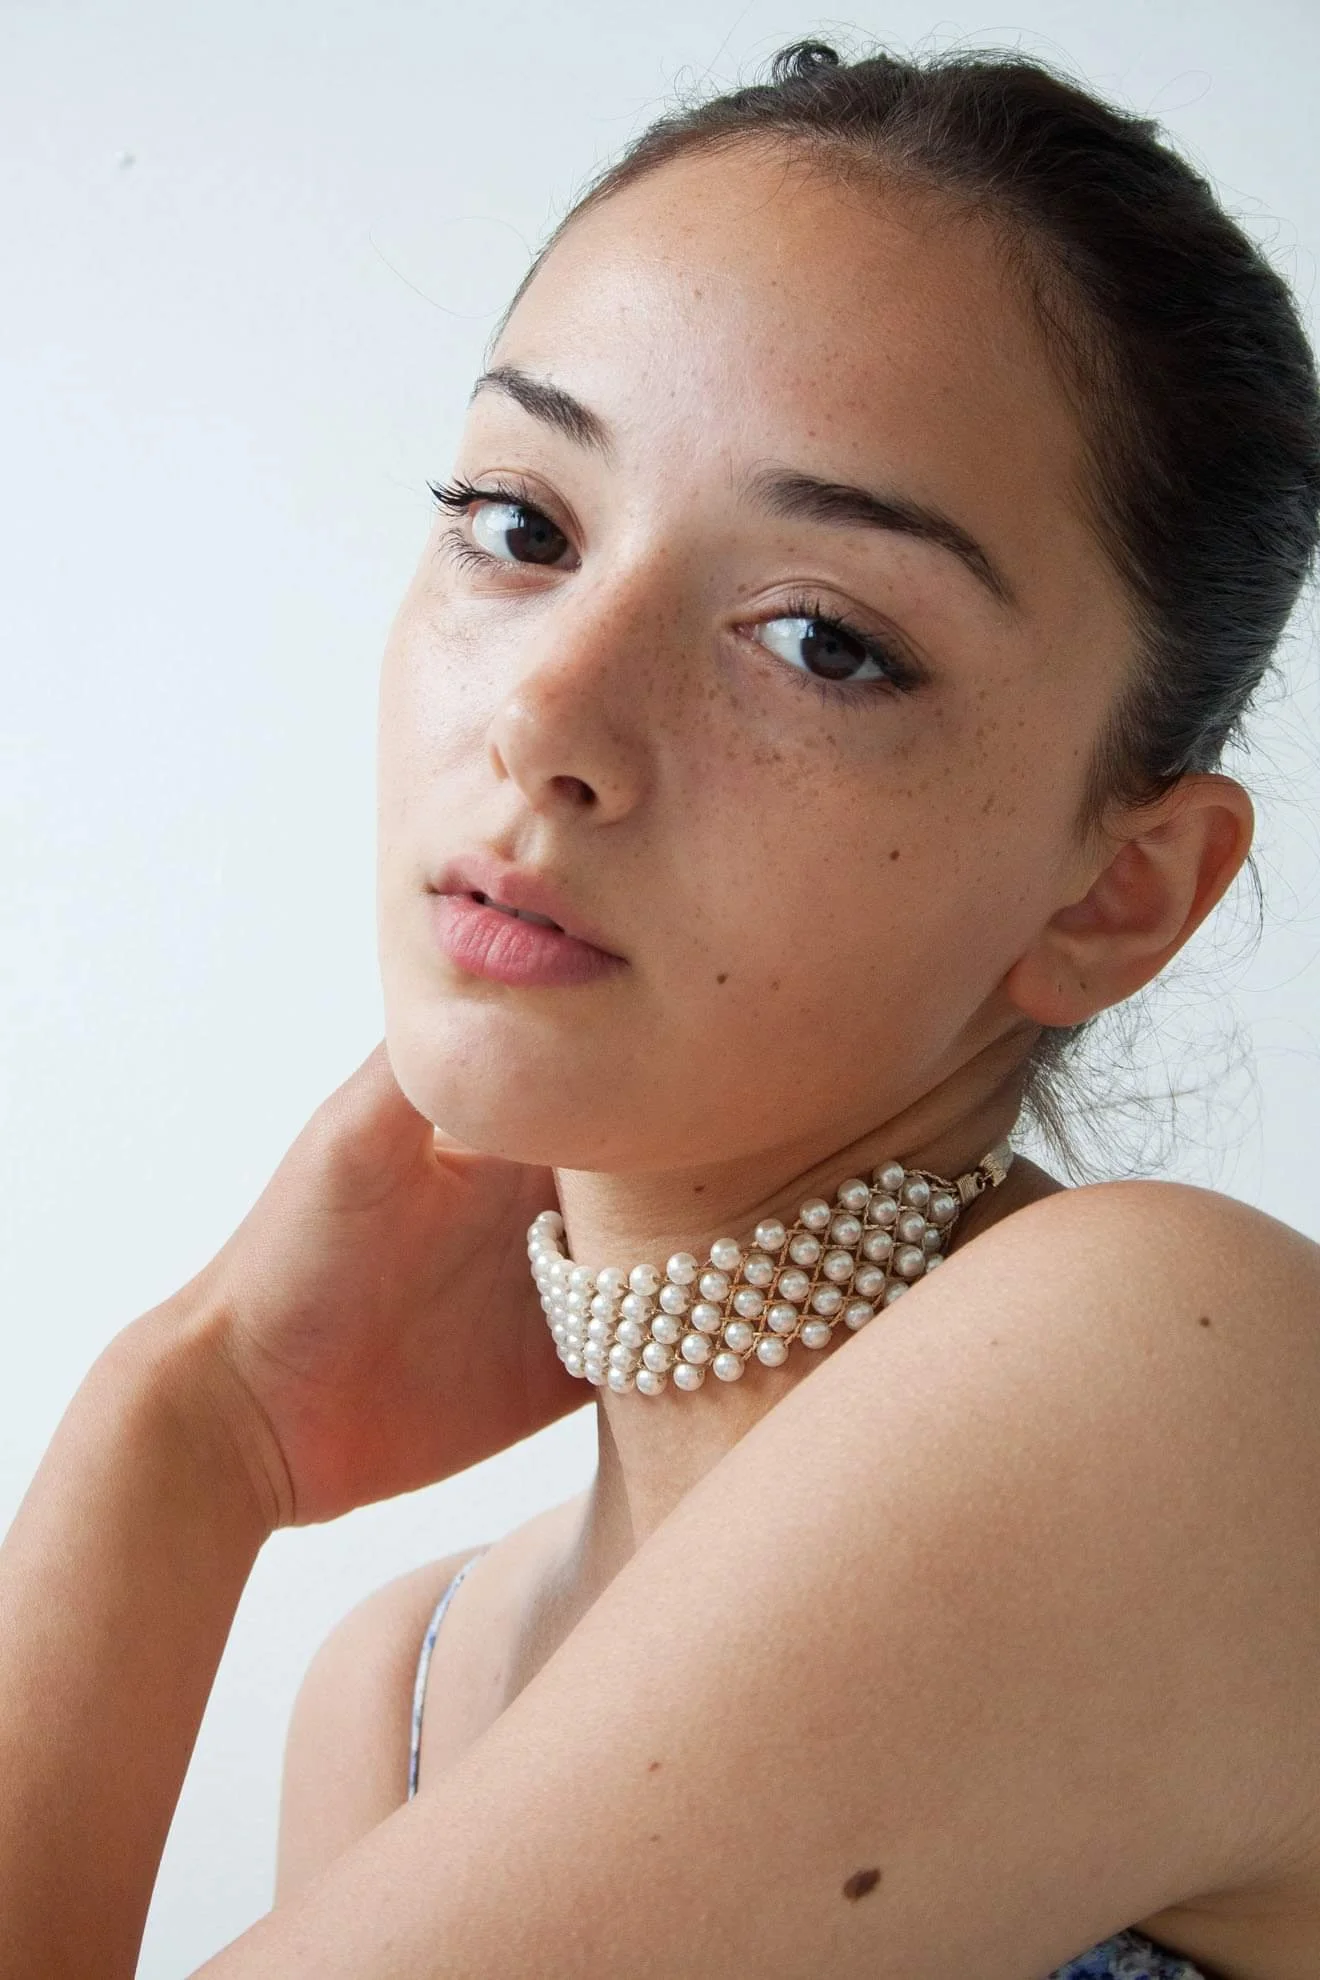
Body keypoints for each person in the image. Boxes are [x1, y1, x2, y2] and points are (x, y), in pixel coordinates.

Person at [3, 33, 1320, 1980]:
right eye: (520, 526)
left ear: (1117, 893)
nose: (545, 711)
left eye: (824, 641)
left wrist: (178, 1452)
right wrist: (197, 1425)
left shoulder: (1175, 1372)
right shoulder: (402, 1689)